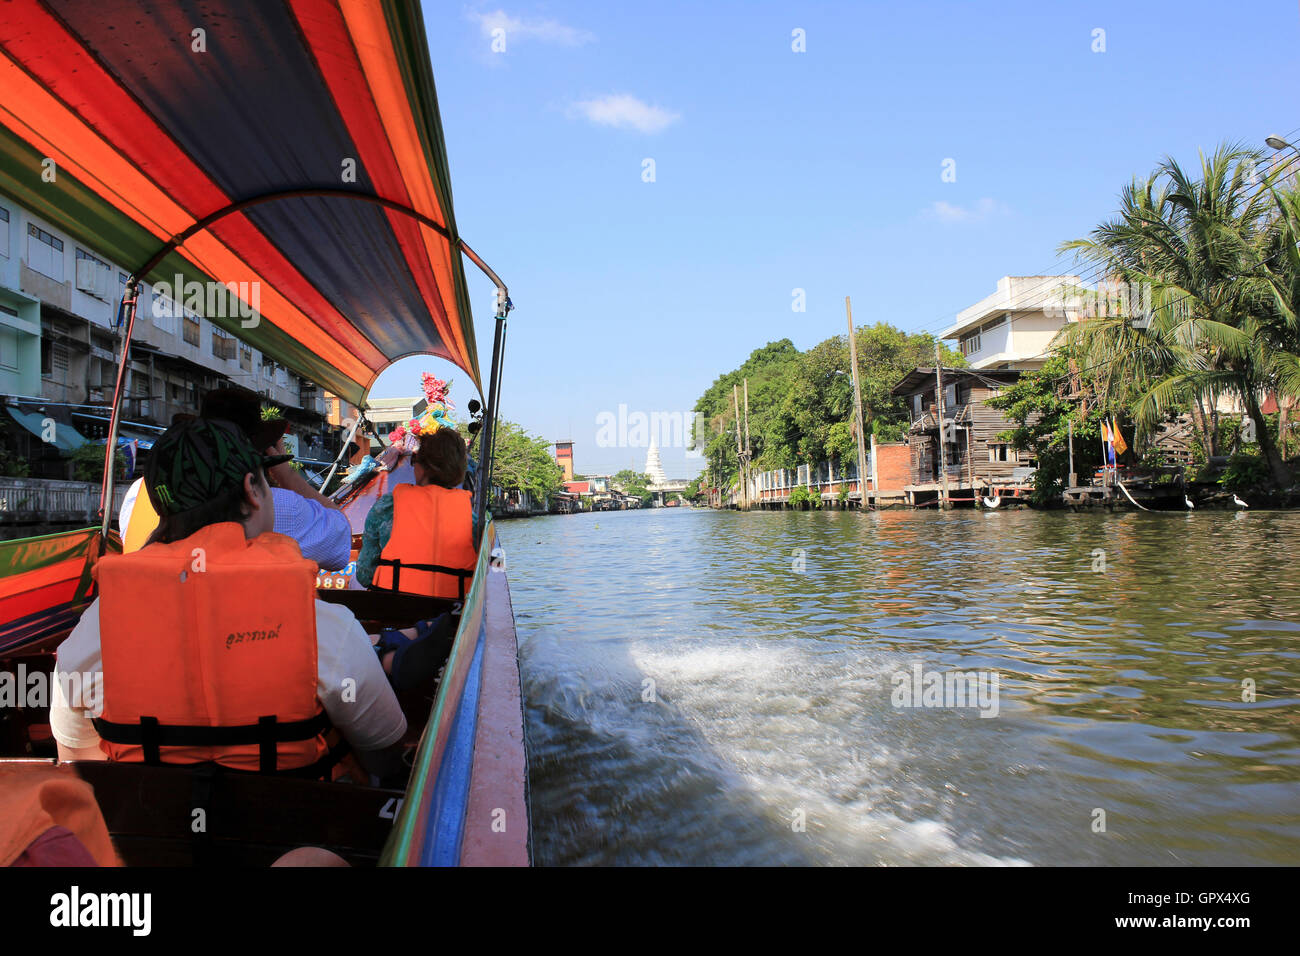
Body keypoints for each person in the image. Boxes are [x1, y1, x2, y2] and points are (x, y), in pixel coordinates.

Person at [52, 417, 407, 779]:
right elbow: (384, 751)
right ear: (253, 487)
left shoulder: (95, 629)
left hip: (151, 828)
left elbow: (79, 761)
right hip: (297, 826)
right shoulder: (324, 627)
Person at [118, 387, 351, 571]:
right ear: (252, 488)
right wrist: (285, 473)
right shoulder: (279, 506)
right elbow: (340, 536)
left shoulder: (139, 493)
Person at [355, 427, 478, 598]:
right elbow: (493, 566)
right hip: (453, 613)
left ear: (423, 467)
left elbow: (364, 575)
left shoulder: (387, 507)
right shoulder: (471, 519)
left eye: (414, 460)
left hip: (395, 610)